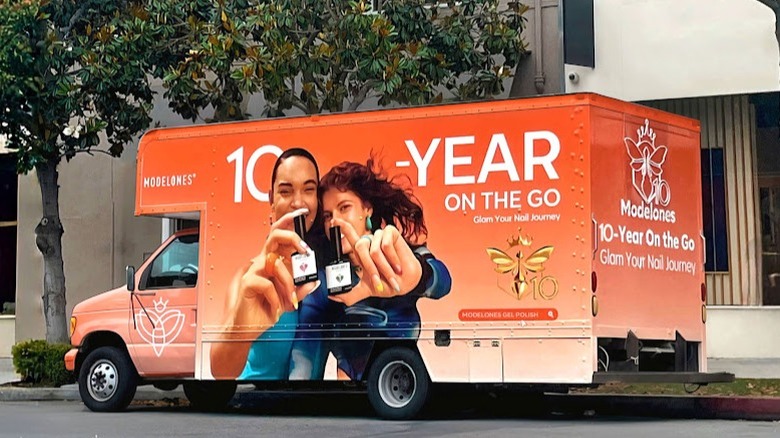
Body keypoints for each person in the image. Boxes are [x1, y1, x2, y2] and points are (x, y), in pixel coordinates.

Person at [289, 158, 452, 381]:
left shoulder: (398, 253)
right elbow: (305, 349)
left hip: (397, 374)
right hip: (348, 393)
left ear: (367, 209)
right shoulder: (326, 281)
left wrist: (419, 277)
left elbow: (443, 280)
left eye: (344, 208)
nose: (334, 222)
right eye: (327, 216)